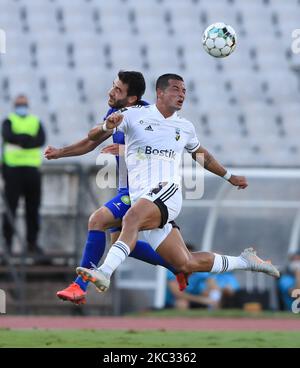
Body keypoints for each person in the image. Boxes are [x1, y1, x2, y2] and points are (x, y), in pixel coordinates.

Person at [77, 73, 280, 294]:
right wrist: (107, 125)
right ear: (160, 93)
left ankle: (104, 272)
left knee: (130, 218)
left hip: (167, 193)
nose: (181, 94)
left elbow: (204, 156)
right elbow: (93, 134)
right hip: (142, 198)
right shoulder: (134, 115)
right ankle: (246, 261)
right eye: (176, 89)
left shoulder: (185, 127)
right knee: (185, 263)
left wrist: (229, 176)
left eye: (184, 91)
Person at [45, 71, 186, 305]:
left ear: (131, 98)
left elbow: (164, 151)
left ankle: (79, 286)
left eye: (118, 89)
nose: (111, 92)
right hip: (126, 189)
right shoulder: (116, 114)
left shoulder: (146, 117)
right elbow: (91, 142)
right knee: (119, 243)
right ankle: (177, 266)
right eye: (113, 86)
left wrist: (123, 151)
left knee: (97, 221)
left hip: (142, 193)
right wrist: (61, 152)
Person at [1, 94, 46, 256]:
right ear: (15, 106)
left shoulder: (35, 121)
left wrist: (20, 140)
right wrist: (28, 139)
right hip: (12, 170)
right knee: (10, 208)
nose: (22, 107)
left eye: (24, 104)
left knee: (33, 208)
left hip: (32, 171)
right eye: (19, 104)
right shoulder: (9, 120)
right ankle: (7, 243)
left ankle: (32, 243)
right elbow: (8, 136)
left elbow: (41, 139)